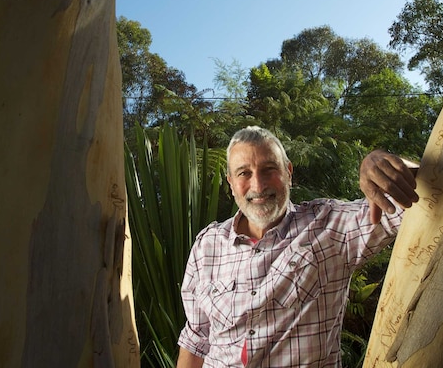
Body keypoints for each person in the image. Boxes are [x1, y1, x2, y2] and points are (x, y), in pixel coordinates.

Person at [176, 126, 419, 367]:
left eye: (269, 169)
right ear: (230, 182)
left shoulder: (330, 226)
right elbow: (196, 340)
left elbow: (417, 199)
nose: (258, 186)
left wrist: (380, 164)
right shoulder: (207, 245)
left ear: (288, 172)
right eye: (244, 173)